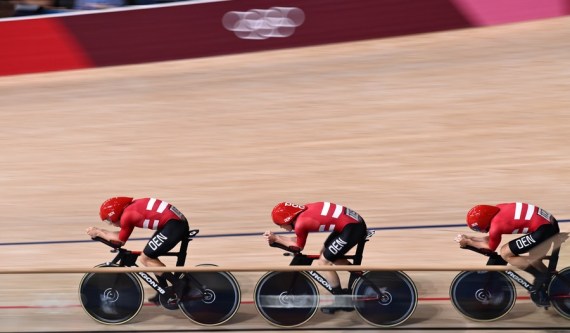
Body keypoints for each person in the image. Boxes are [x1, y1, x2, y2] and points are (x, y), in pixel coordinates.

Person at [264, 201, 367, 314]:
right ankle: (363, 281)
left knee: (324, 262)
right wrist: (277, 238)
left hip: (352, 227)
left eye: (280, 224)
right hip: (351, 224)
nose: (280, 227)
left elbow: (298, 247)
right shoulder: (303, 213)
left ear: (287, 219)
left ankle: (340, 300)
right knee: (327, 253)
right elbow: (296, 240)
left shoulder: (301, 223)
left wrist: (276, 239)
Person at [86, 197, 190, 306]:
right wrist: (101, 232)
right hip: (173, 223)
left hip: (174, 225)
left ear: (115, 214)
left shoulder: (127, 216)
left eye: (109, 220)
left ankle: (178, 284)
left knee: (145, 258)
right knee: (151, 254)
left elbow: (120, 241)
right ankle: (164, 290)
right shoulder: (130, 209)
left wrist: (99, 232)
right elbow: (120, 235)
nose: (111, 224)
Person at [455, 202, 560, 307]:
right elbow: (490, 238)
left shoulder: (496, 226)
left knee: (505, 253)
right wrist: (470, 238)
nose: (481, 232)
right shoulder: (498, 208)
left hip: (543, 229)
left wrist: (468, 242)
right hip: (549, 224)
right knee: (535, 259)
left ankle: (539, 276)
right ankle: (550, 281)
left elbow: (490, 248)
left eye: (478, 229)